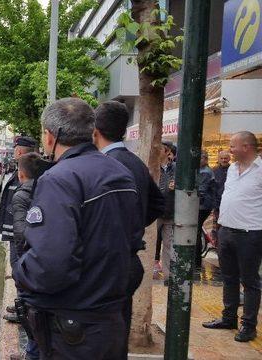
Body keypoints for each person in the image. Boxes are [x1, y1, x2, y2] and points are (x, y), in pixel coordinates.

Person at [13, 98, 143, 360]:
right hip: (110, 317)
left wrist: (20, 271)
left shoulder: (60, 179)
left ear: (50, 137)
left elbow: (50, 264)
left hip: (73, 325)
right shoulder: (119, 171)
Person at [93, 101, 165, 358]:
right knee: (117, 331)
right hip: (128, 261)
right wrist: (134, 224)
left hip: (105, 264)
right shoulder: (136, 162)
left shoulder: (102, 165)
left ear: (95, 131)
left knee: (100, 336)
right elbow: (158, 203)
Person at [203, 131, 262, 343]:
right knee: (228, 278)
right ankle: (228, 318)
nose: (230, 149)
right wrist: (218, 227)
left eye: (233, 145)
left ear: (246, 147)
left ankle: (249, 325)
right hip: (226, 230)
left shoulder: (260, 169)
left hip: (250, 233)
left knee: (250, 281)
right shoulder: (232, 170)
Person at [0, 136, 36, 322]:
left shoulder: (28, 171)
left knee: (20, 269)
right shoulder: (23, 168)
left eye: (15, 149)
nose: (14, 152)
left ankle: (24, 309)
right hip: (15, 232)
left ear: (20, 151)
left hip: (19, 235)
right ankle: (22, 304)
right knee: (18, 269)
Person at [10, 152, 44, 360]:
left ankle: (32, 354)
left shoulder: (21, 195)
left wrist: (23, 265)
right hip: (49, 259)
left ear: (21, 175)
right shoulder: (52, 190)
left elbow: (21, 233)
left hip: (32, 261)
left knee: (31, 311)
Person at [155, 141, 176, 277]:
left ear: (168, 152)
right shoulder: (153, 166)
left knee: (168, 245)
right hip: (155, 212)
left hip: (169, 211)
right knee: (151, 243)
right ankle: (152, 269)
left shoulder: (176, 168)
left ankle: (168, 275)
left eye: (161, 150)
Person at [196, 150, 216, 267]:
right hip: (204, 205)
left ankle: (197, 261)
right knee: (197, 231)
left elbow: (202, 191)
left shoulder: (205, 172)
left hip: (203, 206)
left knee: (197, 231)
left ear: (205, 159)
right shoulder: (204, 171)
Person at [212, 150, 231, 222]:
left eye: (225, 158)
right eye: (221, 158)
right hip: (217, 202)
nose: (223, 160)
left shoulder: (233, 169)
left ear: (229, 159)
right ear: (219, 159)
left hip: (229, 202)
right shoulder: (214, 170)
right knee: (217, 224)